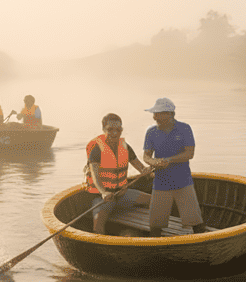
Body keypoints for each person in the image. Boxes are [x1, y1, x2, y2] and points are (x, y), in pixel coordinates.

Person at [142, 98, 207, 237]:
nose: (154, 117)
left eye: (157, 113)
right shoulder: (151, 132)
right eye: (154, 114)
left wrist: (168, 160)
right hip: (160, 183)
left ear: (169, 114)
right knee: (155, 225)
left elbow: (190, 153)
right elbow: (146, 156)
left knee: (196, 223)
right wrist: (152, 163)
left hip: (183, 181)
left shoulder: (185, 128)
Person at [85, 113, 153, 235]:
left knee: (152, 201)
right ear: (103, 129)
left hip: (122, 194)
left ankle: (145, 233)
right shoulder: (96, 150)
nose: (115, 133)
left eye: (118, 129)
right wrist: (104, 192)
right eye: (110, 129)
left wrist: (147, 171)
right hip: (103, 198)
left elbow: (141, 169)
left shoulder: (125, 147)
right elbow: (95, 176)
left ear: (121, 130)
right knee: (97, 225)